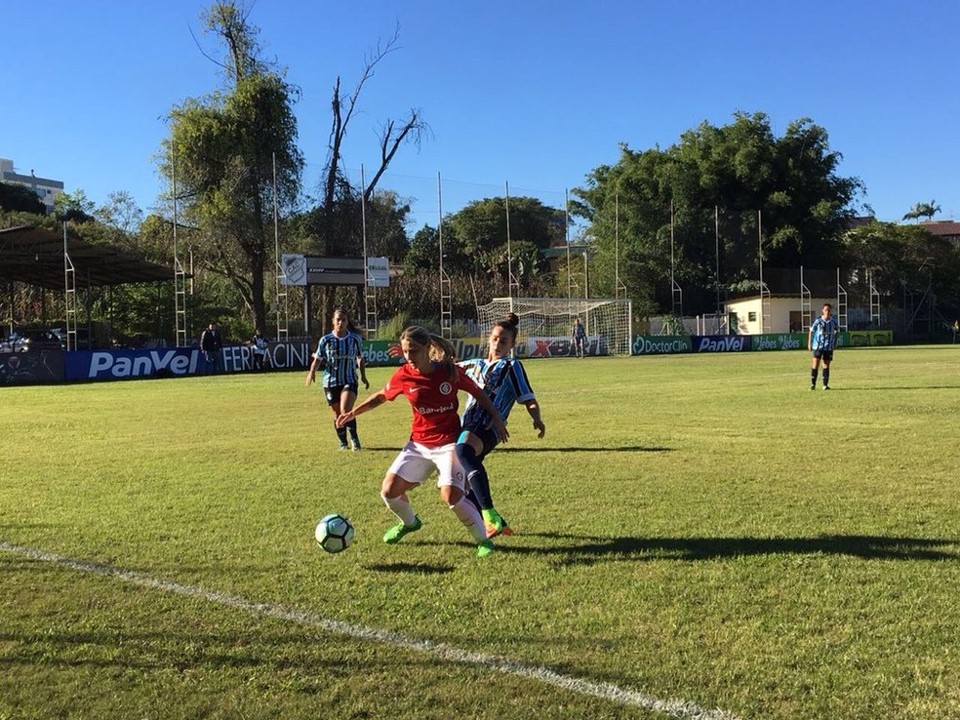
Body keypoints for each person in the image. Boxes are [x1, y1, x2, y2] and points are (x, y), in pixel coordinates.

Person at [336, 326, 509, 558]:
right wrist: (353, 413)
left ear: (428, 348)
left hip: (448, 444)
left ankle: (483, 541)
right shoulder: (404, 374)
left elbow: (479, 394)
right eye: (405, 352)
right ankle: (409, 523)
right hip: (418, 444)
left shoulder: (449, 371)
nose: (409, 357)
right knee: (388, 492)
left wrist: (497, 417)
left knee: (451, 496)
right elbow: (380, 396)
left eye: (414, 351)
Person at [457, 313, 545, 538]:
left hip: (490, 428)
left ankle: (489, 514)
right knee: (459, 486)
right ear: (489, 338)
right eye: (495, 338)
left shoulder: (512, 366)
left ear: (512, 345)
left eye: (504, 341)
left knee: (463, 451)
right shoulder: (474, 365)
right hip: (466, 425)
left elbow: (528, 398)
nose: (498, 344)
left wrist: (536, 418)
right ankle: (497, 522)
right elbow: (447, 370)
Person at [305, 308, 369, 451]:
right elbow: (317, 359)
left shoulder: (355, 339)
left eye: (344, 320)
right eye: (338, 319)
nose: (340, 322)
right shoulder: (326, 340)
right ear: (333, 322)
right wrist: (311, 372)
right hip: (330, 382)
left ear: (347, 322)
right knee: (337, 414)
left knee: (346, 409)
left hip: (350, 379)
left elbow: (360, 358)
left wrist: (363, 376)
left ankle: (354, 439)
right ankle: (342, 442)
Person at [808, 302, 840, 390]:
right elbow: (811, 331)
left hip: (828, 347)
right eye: (826, 310)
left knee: (826, 365)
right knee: (815, 365)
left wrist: (835, 342)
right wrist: (809, 343)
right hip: (818, 346)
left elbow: (837, 331)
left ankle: (825, 385)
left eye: (829, 310)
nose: (827, 312)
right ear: (823, 311)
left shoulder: (833, 322)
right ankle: (813, 384)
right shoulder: (818, 321)